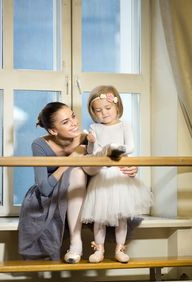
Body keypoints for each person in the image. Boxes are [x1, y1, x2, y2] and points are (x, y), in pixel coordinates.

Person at [18, 101, 139, 263]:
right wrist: (70, 159)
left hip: (81, 189)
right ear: (53, 130)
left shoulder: (86, 138)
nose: (74, 123)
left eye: (73, 116)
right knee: (75, 170)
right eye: (65, 122)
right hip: (52, 194)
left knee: (82, 169)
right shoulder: (39, 145)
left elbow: (97, 165)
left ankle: (106, 156)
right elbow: (45, 188)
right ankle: (76, 244)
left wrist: (130, 166)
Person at [81, 85, 153, 263]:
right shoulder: (94, 128)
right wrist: (91, 142)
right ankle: (99, 249)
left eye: (107, 108)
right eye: (98, 110)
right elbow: (93, 153)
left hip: (119, 176)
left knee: (122, 216)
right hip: (102, 177)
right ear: (93, 112)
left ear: (117, 106)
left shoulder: (125, 126)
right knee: (99, 217)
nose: (103, 113)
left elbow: (131, 146)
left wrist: (115, 149)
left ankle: (120, 249)